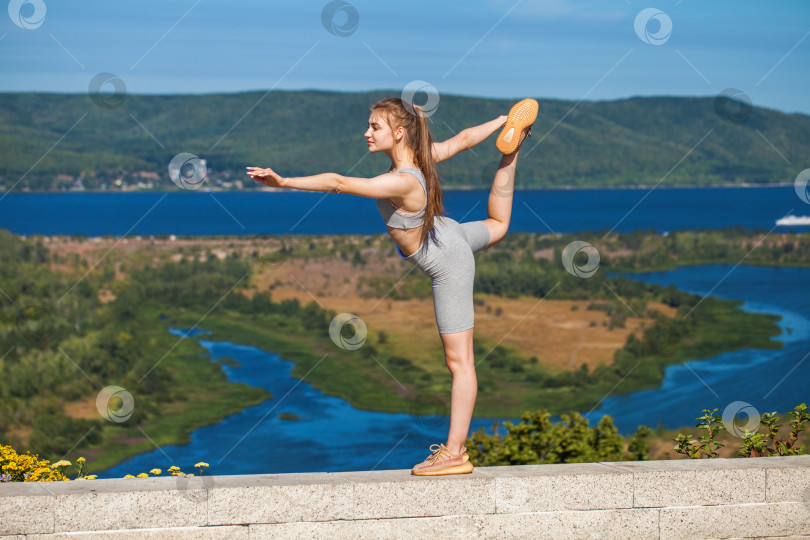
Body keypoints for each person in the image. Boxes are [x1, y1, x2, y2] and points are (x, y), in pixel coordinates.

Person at [247, 97, 538, 476]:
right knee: (498, 225)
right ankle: (511, 151)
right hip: (448, 234)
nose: (366, 133)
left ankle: (454, 453)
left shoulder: (400, 181)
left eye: (375, 127)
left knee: (459, 361)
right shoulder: (422, 159)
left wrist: (283, 181)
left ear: (399, 133)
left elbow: (337, 182)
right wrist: (502, 122)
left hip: (447, 259)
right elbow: (465, 139)